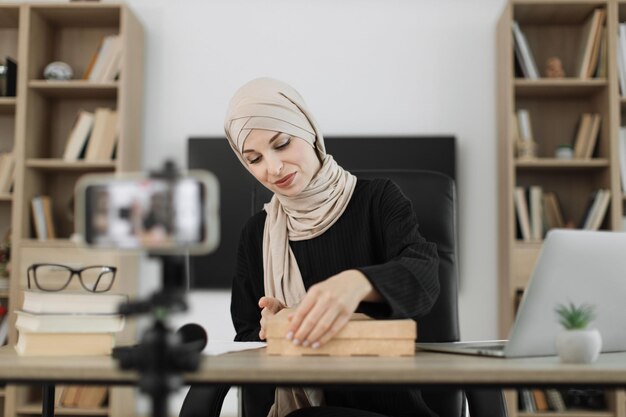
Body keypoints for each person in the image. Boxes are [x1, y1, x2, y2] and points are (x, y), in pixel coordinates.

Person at [224, 77, 440, 417]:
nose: (273, 168)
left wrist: (355, 285)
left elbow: (424, 276)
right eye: (254, 159)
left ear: (308, 130)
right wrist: (274, 328)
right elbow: (247, 334)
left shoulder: (378, 199)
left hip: (388, 409)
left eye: (281, 144)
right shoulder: (257, 233)